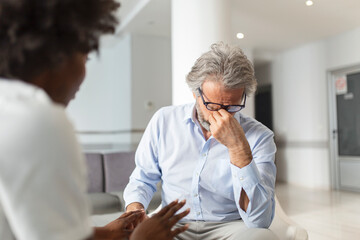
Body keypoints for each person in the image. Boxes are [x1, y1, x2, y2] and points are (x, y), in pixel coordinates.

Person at [0, 0, 188, 239]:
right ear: (60, 55)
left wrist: (105, 234)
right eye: (85, 58)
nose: (83, 74)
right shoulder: (38, 121)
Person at [124, 42, 279, 239]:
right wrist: (135, 210)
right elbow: (143, 178)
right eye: (212, 105)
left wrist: (239, 148)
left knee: (264, 237)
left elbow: (259, 221)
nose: (222, 115)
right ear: (196, 93)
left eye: (232, 106)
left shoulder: (260, 137)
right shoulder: (164, 120)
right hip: (173, 224)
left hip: (230, 227)